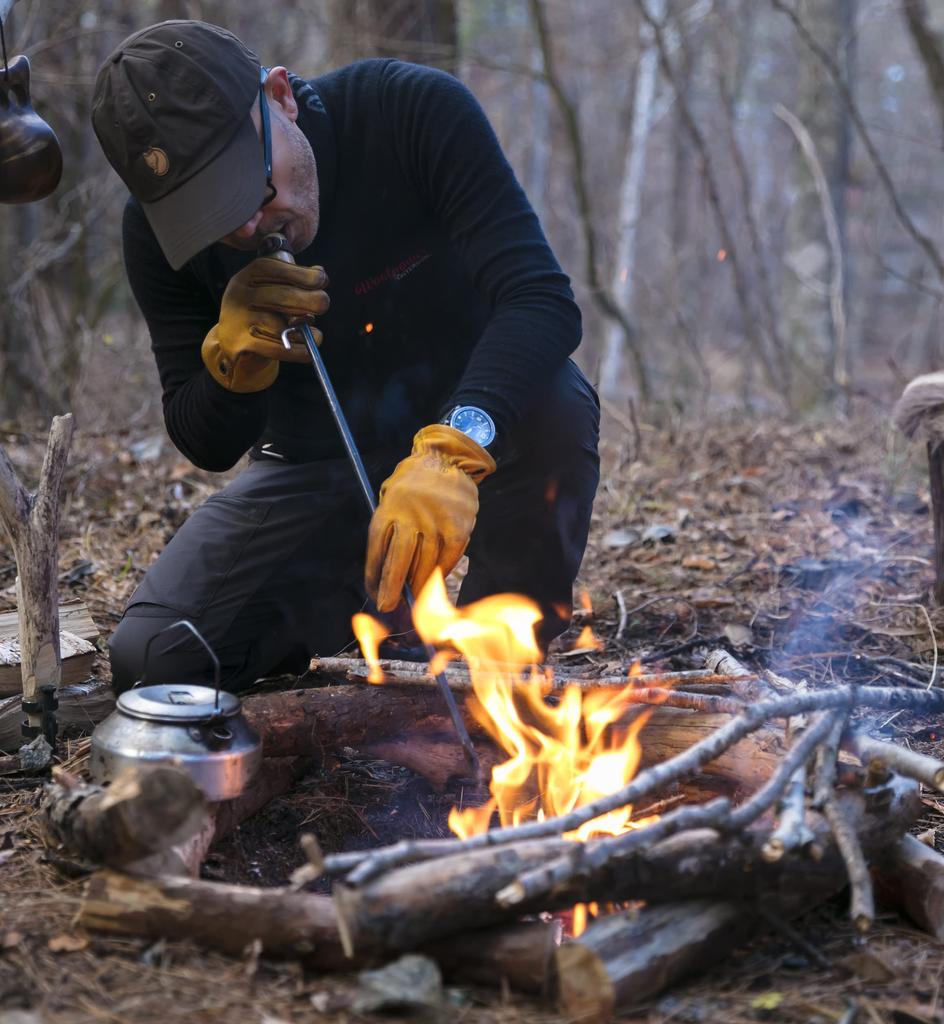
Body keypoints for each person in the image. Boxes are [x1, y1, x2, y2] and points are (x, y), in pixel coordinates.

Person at [91, 19, 600, 693]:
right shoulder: (157, 239)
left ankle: (497, 655)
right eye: (211, 217)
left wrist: (452, 446)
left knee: (557, 403)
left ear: (279, 98)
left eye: (253, 189)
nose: (247, 227)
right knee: (155, 658)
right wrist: (230, 369)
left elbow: (540, 299)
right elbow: (206, 440)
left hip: (477, 441)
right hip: (314, 469)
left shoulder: (407, 112)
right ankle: (366, 637)